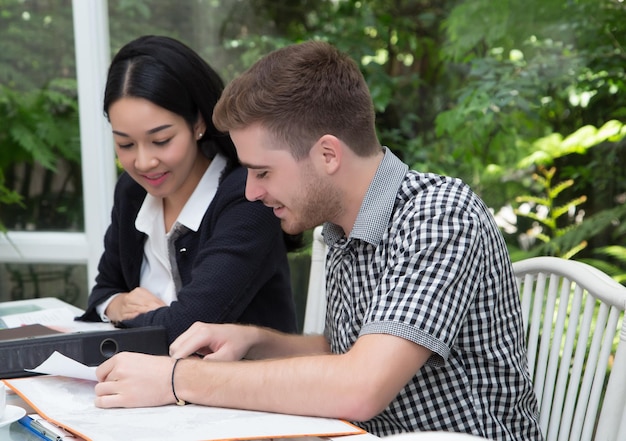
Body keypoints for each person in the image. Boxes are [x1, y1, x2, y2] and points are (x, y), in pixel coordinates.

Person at [94, 40, 543, 440]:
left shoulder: (440, 215)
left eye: (263, 171)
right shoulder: (341, 226)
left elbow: (359, 386)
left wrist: (177, 377)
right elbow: (347, 351)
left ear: (327, 154)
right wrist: (254, 340)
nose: (250, 192)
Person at [78, 35, 300, 344]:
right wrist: (117, 305)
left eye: (161, 140)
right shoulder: (131, 191)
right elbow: (103, 291)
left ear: (198, 122)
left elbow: (186, 324)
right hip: (151, 383)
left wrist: (137, 317)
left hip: (236, 386)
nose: (143, 162)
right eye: (125, 144)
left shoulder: (248, 198)